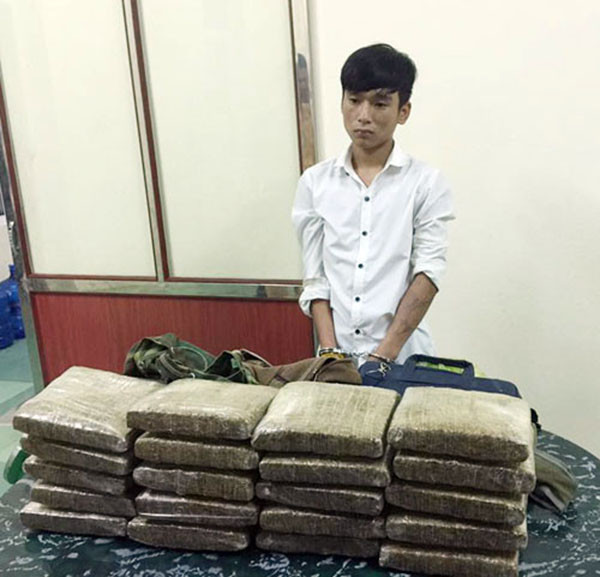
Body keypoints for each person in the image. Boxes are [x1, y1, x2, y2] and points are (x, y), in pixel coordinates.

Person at [292, 44, 454, 367]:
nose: (363, 116)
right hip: (337, 362)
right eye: (354, 100)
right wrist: (331, 355)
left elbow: (428, 274)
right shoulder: (315, 183)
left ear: (403, 111)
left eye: (380, 103)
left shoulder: (426, 183)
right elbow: (315, 278)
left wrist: (382, 357)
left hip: (403, 359)